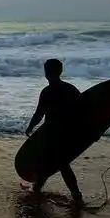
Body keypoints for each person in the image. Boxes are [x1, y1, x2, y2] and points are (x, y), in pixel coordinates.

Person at [25, 58, 84, 203]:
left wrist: (31, 127)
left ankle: (76, 195)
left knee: (61, 164)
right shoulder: (70, 89)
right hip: (70, 132)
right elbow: (83, 110)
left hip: (53, 133)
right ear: (60, 71)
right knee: (50, 162)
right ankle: (37, 188)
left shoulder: (47, 91)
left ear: (46, 73)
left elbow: (39, 114)